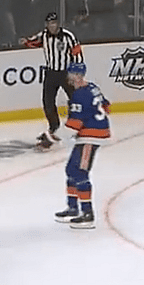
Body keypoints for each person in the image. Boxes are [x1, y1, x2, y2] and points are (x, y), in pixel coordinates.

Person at [54, 62, 110, 229]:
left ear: (77, 76)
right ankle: (73, 208)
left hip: (91, 137)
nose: (69, 77)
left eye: (71, 74)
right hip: (90, 134)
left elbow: (74, 124)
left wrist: (53, 137)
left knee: (80, 172)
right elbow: (106, 106)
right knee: (71, 169)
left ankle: (87, 214)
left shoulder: (79, 95)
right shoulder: (92, 87)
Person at [19, 12, 83, 152]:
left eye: (54, 23)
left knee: (75, 100)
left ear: (58, 23)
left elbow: (77, 53)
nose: (52, 26)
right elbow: (34, 41)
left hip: (66, 73)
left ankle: (79, 127)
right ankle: (54, 128)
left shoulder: (68, 36)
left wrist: (76, 73)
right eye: (50, 24)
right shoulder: (44, 35)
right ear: (47, 25)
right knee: (48, 102)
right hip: (51, 73)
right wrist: (26, 41)